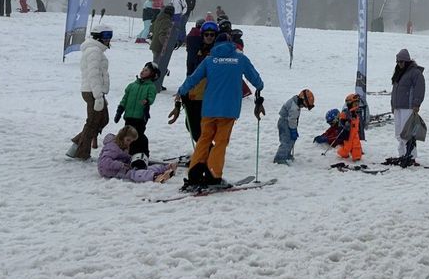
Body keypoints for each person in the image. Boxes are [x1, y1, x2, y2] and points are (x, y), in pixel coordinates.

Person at [176, 34, 266, 188]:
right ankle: (213, 175)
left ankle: (195, 174)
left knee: (204, 139)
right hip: (228, 109)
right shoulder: (240, 59)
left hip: (209, 108)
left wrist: (181, 91)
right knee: (220, 142)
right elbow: (256, 80)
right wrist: (260, 87)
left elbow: (193, 78)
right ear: (231, 44)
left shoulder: (209, 60)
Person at [67, 25, 113, 160]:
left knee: (103, 119)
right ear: (98, 37)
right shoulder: (94, 52)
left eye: (110, 36)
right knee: (93, 122)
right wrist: (98, 96)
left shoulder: (97, 51)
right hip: (92, 91)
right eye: (106, 36)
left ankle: (77, 142)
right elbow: (94, 75)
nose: (108, 39)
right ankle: (82, 153)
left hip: (95, 90)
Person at [114, 62, 160, 164]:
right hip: (129, 116)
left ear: (152, 74)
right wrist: (120, 110)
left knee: (138, 136)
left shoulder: (151, 87)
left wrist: (147, 101)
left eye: (146, 70)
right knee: (128, 136)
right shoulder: (132, 85)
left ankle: (141, 154)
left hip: (140, 117)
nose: (143, 71)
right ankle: (128, 153)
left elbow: (152, 97)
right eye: (143, 69)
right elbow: (125, 99)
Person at [98, 126, 176, 183]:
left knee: (142, 167)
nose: (129, 143)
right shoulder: (112, 147)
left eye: (131, 141)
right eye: (128, 140)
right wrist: (121, 165)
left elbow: (122, 156)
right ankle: (155, 177)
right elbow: (104, 162)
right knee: (133, 173)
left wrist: (133, 159)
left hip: (121, 165)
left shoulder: (123, 145)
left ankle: (165, 168)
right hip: (109, 170)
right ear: (121, 137)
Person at [391, 49, 427, 162]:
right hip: (398, 106)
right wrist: (393, 104)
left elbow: (420, 89)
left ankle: (411, 155)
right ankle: (402, 154)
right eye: (397, 62)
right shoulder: (398, 73)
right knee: (398, 132)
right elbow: (395, 90)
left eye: (401, 62)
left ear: (406, 61)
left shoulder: (415, 73)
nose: (399, 64)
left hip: (408, 107)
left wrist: (416, 103)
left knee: (406, 133)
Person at [274, 89, 315, 165]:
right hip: (284, 123)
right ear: (302, 100)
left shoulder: (296, 101)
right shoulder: (294, 107)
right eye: (304, 106)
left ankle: (286, 155)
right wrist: (293, 130)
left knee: (291, 141)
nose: (303, 107)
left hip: (288, 123)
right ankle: (280, 158)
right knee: (286, 141)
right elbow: (292, 120)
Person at [336, 93, 365, 162]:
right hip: (348, 134)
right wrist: (345, 123)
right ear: (350, 104)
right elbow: (340, 122)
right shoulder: (346, 113)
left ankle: (357, 156)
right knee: (347, 147)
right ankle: (342, 154)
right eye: (355, 104)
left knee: (356, 145)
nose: (357, 105)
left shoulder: (357, 113)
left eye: (358, 103)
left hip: (355, 134)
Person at [149, 5, 175, 69]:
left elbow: (151, 28)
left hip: (154, 45)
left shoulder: (159, 18)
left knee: (155, 65)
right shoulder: (167, 21)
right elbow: (162, 35)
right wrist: (167, 46)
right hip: (159, 47)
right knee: (157, 67)